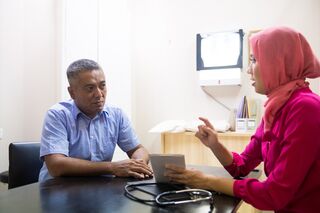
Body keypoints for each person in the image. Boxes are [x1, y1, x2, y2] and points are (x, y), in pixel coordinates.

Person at [165, 27, 320, 212]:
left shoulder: (306, 108)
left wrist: (205, 181)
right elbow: (242, 166)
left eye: (254, 60)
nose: (248, 70)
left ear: (277, 62)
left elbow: (274, 194)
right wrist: (215, 144)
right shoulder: (277, 107)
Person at [39, 59, 152, 182]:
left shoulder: (116, 114)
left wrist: (137, 164)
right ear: (72, 92)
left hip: (100, 189)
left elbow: (137, 149)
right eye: (90, 88)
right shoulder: (57, 114)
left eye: (102, 86)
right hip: (58, 190)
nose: (99, 94)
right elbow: (56, 165)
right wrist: (112, 167)